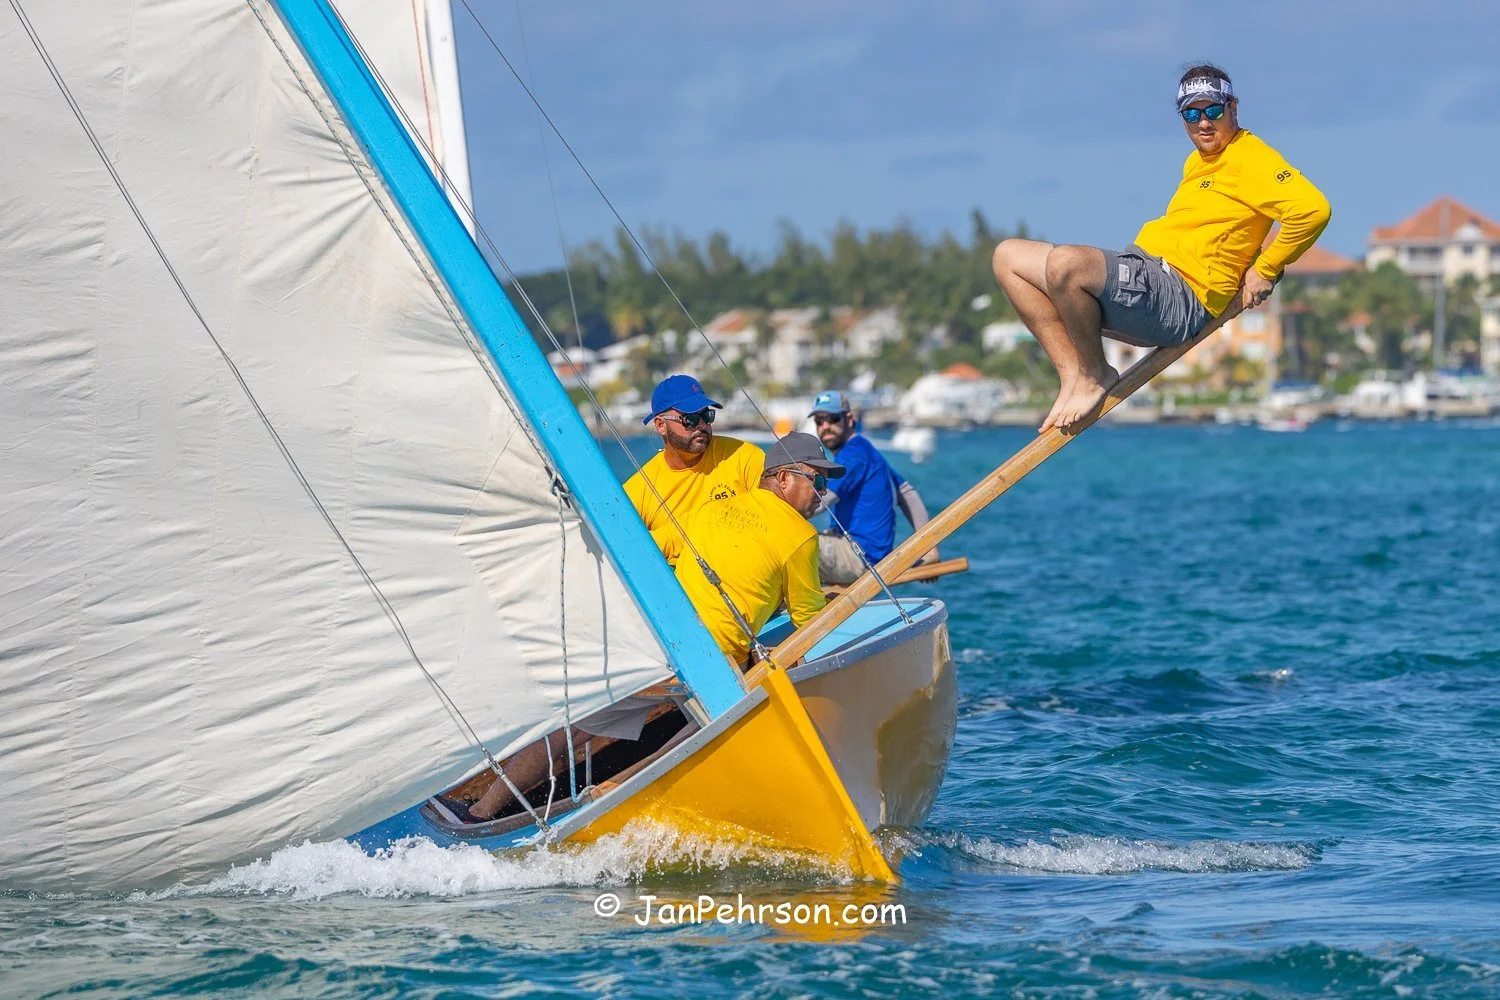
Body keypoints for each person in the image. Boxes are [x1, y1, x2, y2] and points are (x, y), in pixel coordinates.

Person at [991, 64, 1331, 433]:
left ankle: (1095, 373)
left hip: (1180, 297)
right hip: (1147, 274)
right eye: (1191, 114)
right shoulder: (1198, 161)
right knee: (1008, 256)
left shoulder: (1252, 157)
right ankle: (1073, 375)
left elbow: (1312, 210)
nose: (1203, 123)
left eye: (1213, 111)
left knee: (1066, 265)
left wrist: (1264, 269)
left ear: (1233, 107)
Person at [674, 432, 843, 666]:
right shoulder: (801, 535)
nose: (823, 492)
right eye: (819, 481)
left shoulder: (709, 509)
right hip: (720, 661)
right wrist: (835, 605)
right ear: (784, 477)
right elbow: (808, 620)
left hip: (669, 642)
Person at [622, 374, 764, 566]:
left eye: (707, 415)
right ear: (661, 425)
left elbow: (773, 520)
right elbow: (626, 551)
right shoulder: (638, 490)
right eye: (690, 419)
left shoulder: (744, 457)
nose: (702, 425)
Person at [808, 390, 938, 585]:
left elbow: (820, 502)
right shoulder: (867, 451)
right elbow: (907, 493)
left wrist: (772, 515)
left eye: (833, 419)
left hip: (857, 557)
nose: (825, 426)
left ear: (849, 419)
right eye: (819, 421)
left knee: (785, 544)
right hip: (865, 556)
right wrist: (929, 548)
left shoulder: (852, 455)